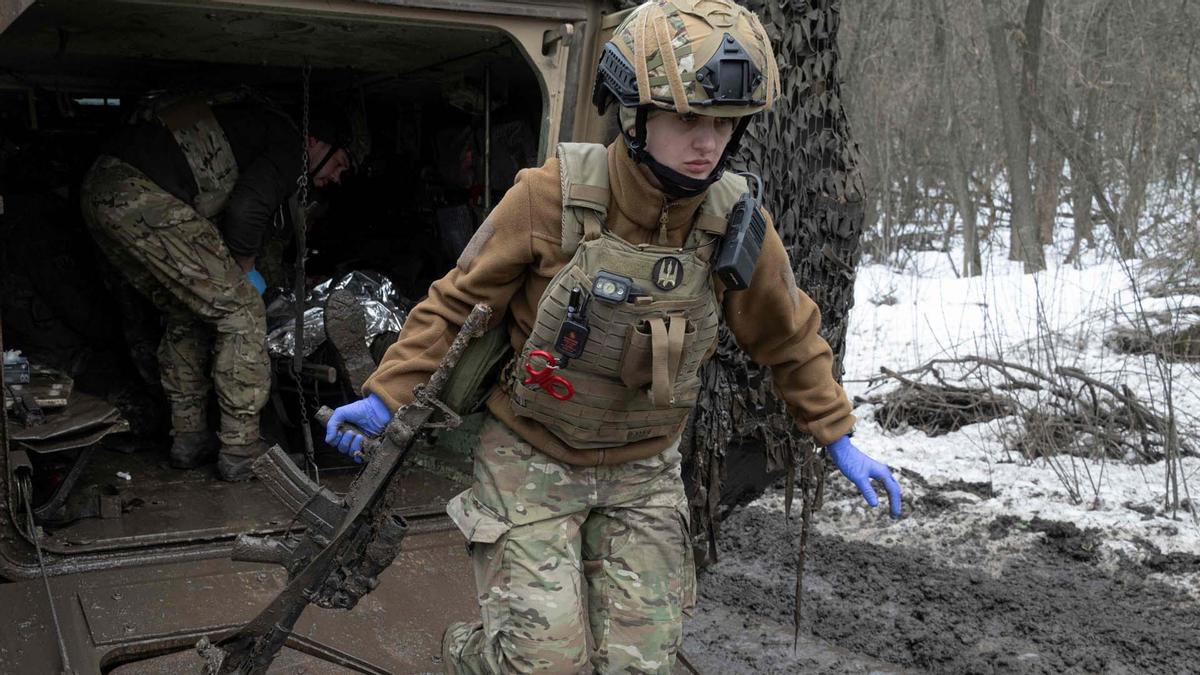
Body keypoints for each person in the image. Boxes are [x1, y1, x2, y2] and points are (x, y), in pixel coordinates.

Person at [326, 1, 901, 671]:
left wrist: (839, 435)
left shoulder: (733, 223)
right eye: (688, 119)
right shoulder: (551, 197)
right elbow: (458, 303)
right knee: (542, 663)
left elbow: (789, 333)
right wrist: (385, 394)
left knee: (639, 664)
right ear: (636, 114)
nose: (707, 142)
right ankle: (474, 655)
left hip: (644, 468)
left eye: (723, 124)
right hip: (532, 455)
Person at [81, 92, 364, 481]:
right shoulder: (290, 143)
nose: (336, 176)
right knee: (241, 310)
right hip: (142, 194)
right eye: (339, 163)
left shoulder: (255, 128)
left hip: (105, 191)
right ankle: (242, 448)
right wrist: (243, 271)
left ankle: (189, 436)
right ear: (314, 142)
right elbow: (247, 207)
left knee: (187, 311)